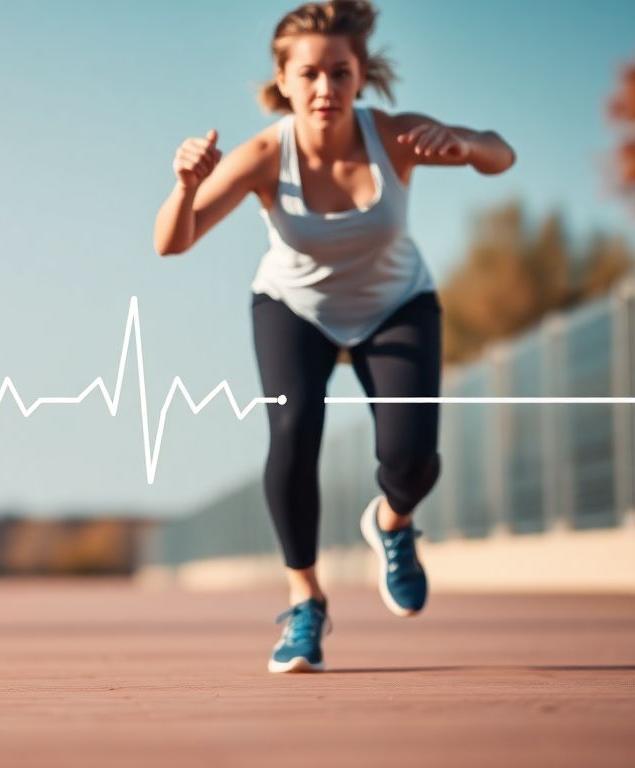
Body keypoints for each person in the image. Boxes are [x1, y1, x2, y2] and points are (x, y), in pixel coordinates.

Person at [152, 0, 515, 673]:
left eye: (341, 74)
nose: (326, 90)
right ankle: (305, 602)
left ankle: (394, 525)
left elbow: (503, 152)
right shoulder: (264, 155)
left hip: (397, 304)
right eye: (311, 74)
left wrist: (465, 149)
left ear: (361, 75)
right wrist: (184, 187)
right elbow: (172, 242)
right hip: (296, 308)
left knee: (410, 461)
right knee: (293, 436)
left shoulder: (396, 136)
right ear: (283, 80)